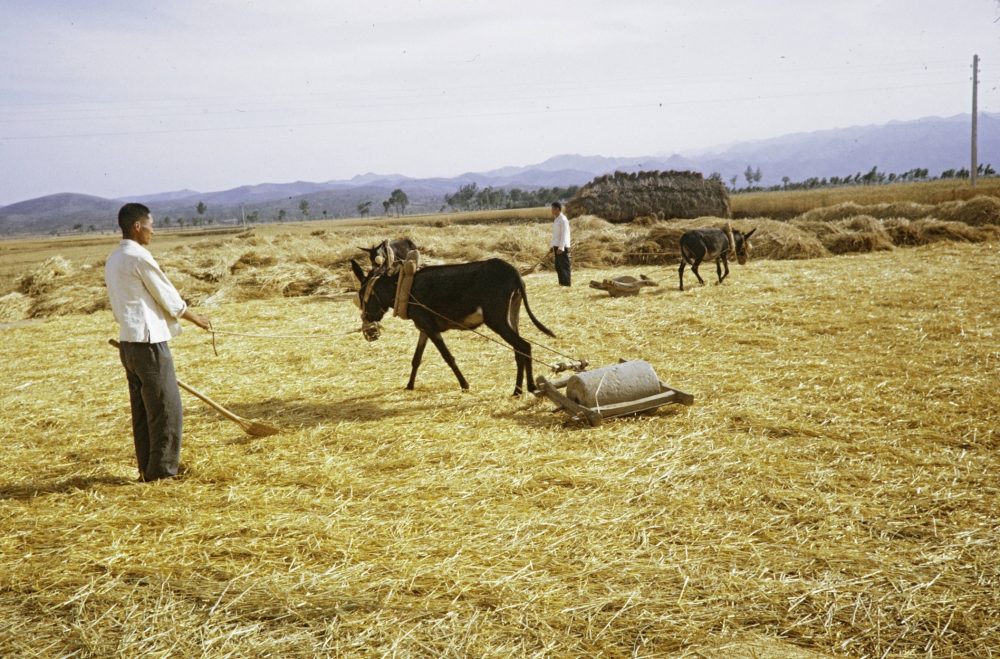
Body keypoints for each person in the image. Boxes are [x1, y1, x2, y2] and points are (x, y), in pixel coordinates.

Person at [105, 203, 212, 482]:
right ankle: (162, 473)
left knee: (143, 411)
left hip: (128, 343)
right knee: (166, 409)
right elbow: (168, 296)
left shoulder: (114, 258)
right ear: (137, 227)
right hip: (148, 343)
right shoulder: (139, 258)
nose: (154, 230)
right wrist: (196, 318)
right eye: (151, 225)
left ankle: (147, 470)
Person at [550, 201, 571, 286]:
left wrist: (561, 247)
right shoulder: (556, 219)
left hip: (562, 247)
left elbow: (564, 234)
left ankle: (566, 283)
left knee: (564, 266)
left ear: (557, 209)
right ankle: (561, 283)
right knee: (558, 266)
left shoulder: (563, 219)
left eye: (552, 209)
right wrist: (552, 246)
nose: (551, 211)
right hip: (556, 246)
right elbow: (556, 235)